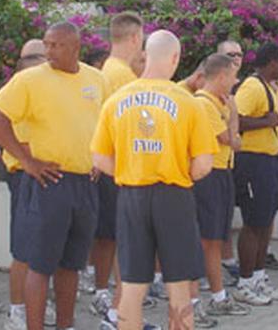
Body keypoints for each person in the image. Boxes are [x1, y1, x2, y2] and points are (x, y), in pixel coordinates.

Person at [91, 30, 218, 330]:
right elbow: (203, 164)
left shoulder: (116, 100)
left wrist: (130, 169)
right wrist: (179, 172)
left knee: (133, 285)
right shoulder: (188, 103)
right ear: (175, 58)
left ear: (146, 55)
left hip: (131, 195)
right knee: (178, 285)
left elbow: (99, 158)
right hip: (174, 196)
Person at [0, 22, 108, 330]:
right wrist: (26, 160)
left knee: (71, 265)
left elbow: (107, 122)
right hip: (48, 183)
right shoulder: (29, 80)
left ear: (75, 48)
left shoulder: (97, 79)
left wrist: (101, 158)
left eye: (57, 45)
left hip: (85, 183)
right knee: (39, 264)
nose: (49, 51)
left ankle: (65, 325)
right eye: (47, 44)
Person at [89, 12, 145, 319]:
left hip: (114, 166)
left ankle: (120, 308)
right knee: (126, 240)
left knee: (117, 238)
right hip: (122, 169)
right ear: (135, 38)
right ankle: (121, 312)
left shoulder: (109, 71)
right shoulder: (121, 75)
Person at [1, 40, 58, 330]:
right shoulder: (19, 106)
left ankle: (36, 302)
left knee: (43, 248)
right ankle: (17, 310)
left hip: (46, 178)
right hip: (25, 178)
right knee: (24, 249)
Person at [193, 54, 252, 317]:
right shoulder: (204, 104)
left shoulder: (220, 103)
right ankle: (210, 297)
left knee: (217, 237)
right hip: (209, 175)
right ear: (220, 77)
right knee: (209, 239)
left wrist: (232, 117)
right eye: (232, 76)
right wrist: (233, 116)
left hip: (223, 172)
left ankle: (218, 295)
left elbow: (234, 140)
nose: (235, 82)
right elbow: (230, 139)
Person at [233, 43, 278, 304]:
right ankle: (244, 283)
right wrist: (269, 122)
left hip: (269, 162)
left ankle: (257, 277)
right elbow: (236, 121)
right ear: (271, 62)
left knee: (266, 222)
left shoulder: (269, 88)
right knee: (254, 223)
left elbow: (272, 120)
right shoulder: (252, 86)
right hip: (253, 163)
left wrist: (277, 119)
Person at [215, 40, 243, 282]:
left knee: (225, 220)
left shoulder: (234, 91)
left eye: (239, 54)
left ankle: (227, 260)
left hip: (228, 165)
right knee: (210, 226)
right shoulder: (210, 96)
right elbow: (230, 138)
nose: (236, 58)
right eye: (230, 54)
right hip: (210, 168)